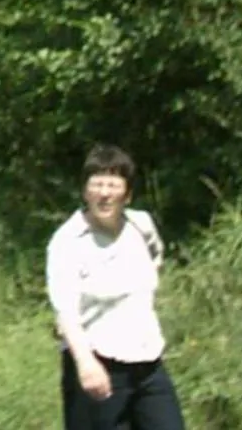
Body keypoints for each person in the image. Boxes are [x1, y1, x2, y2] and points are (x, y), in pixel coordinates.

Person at [46, 145, 186, 430]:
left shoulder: (141, 225)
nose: (104, 193)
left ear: (127, 193)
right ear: (85, 192)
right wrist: (86, 364)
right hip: (98, 363)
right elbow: (66, 313)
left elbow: (154, 261)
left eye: (113, 184)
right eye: (96, 184)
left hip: (147, 362)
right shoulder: (68, 241)